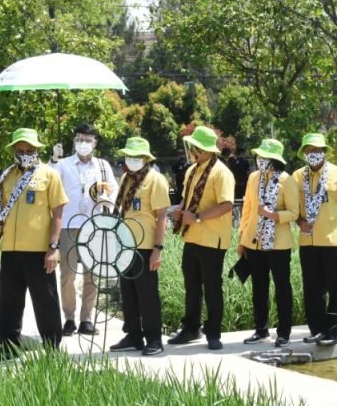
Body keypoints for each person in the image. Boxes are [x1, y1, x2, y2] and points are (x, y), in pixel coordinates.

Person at [0, 128, 68, 353]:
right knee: (8, 303)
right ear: (14, 150)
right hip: (11, 250)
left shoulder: (49, 175)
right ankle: (8, 348)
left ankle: (52, 349)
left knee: (46, 301)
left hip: (39, 251)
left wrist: (53, 247)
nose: (24, 153)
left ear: (37, 150)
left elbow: (58, 214)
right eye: (20, 150)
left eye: (29, 150)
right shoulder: (7, 176)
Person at [168, 125, 235, 351]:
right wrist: (180, 210)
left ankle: (213, 332)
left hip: (212, 239)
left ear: (205, 150)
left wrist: (196, 217)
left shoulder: (221, 172)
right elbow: (187, 199)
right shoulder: (192, 170)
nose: (191, 150)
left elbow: (226, 205)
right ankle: (191, 328)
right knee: (192, 286)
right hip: (192, 237)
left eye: (195, 146)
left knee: (213, 287)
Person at [52, 123, 118, 337]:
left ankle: (86, 319)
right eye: (79, 139)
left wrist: (106, 199)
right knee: (67, 275)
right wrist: (53, 159)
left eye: (88, 140)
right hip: (69, 224)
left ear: (95, 143)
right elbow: (50, 182)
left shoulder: (102, 166)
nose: (83, 143)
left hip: (94, 225)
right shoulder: (62, 164)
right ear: (74, 141)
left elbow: (113, 188)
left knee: (93, 275)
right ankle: (69, 318)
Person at [109, 137, 171, 356]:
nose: (131, 160)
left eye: (136, 157)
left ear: (146, 159)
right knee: (128, 292)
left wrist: (158, 249)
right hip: (125, 244)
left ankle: (154, 338)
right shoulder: (127, 178)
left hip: (145, 246)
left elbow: (162, 216)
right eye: (129, 156)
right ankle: (133, 334)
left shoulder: (156, 180)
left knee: (147, 294)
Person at [293, 132, 337, 347]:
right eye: (309, 150)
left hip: (333, 241)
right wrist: (299, 222)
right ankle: (317, 329)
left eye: (317, 150)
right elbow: (293, 210)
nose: (313, 154)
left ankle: (334, 332)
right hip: (307, 241)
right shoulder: (297, 177)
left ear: (324, 152)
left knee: (335, 287)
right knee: (312, 288)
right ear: (304, 153)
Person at [237, 138, 299, 348]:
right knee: (259, 288)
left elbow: (294, 212)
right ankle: (261, 330)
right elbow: (247, 209)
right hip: (254, 242)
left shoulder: (286, 180)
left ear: (274, 159)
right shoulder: (254, 178)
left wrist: (273, 215)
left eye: (264, 157)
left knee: (282, 287)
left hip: (278, 244)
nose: (260, 160)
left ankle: (284, 332)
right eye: (259, 156)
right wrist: (242, 239)